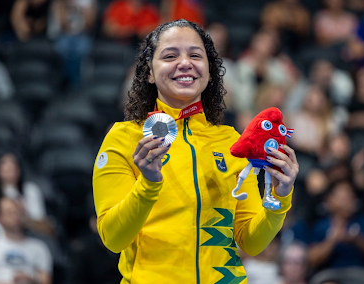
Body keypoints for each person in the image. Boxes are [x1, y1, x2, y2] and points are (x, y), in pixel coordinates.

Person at [93, 19, 299, 283]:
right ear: (149, 73)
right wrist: (148, 185)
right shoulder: (124, 138)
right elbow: (113, 238)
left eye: (195, 55)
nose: (185, 63)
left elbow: (251, 242)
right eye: (170, 55)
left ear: (209, 71)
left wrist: (279, 198)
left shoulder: (230, 141)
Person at [0, 197, 52, 284]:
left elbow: (46, 280)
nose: (15, 216)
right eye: (9, 213)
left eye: (17, 212)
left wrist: (32, 279)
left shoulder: (38, 246)